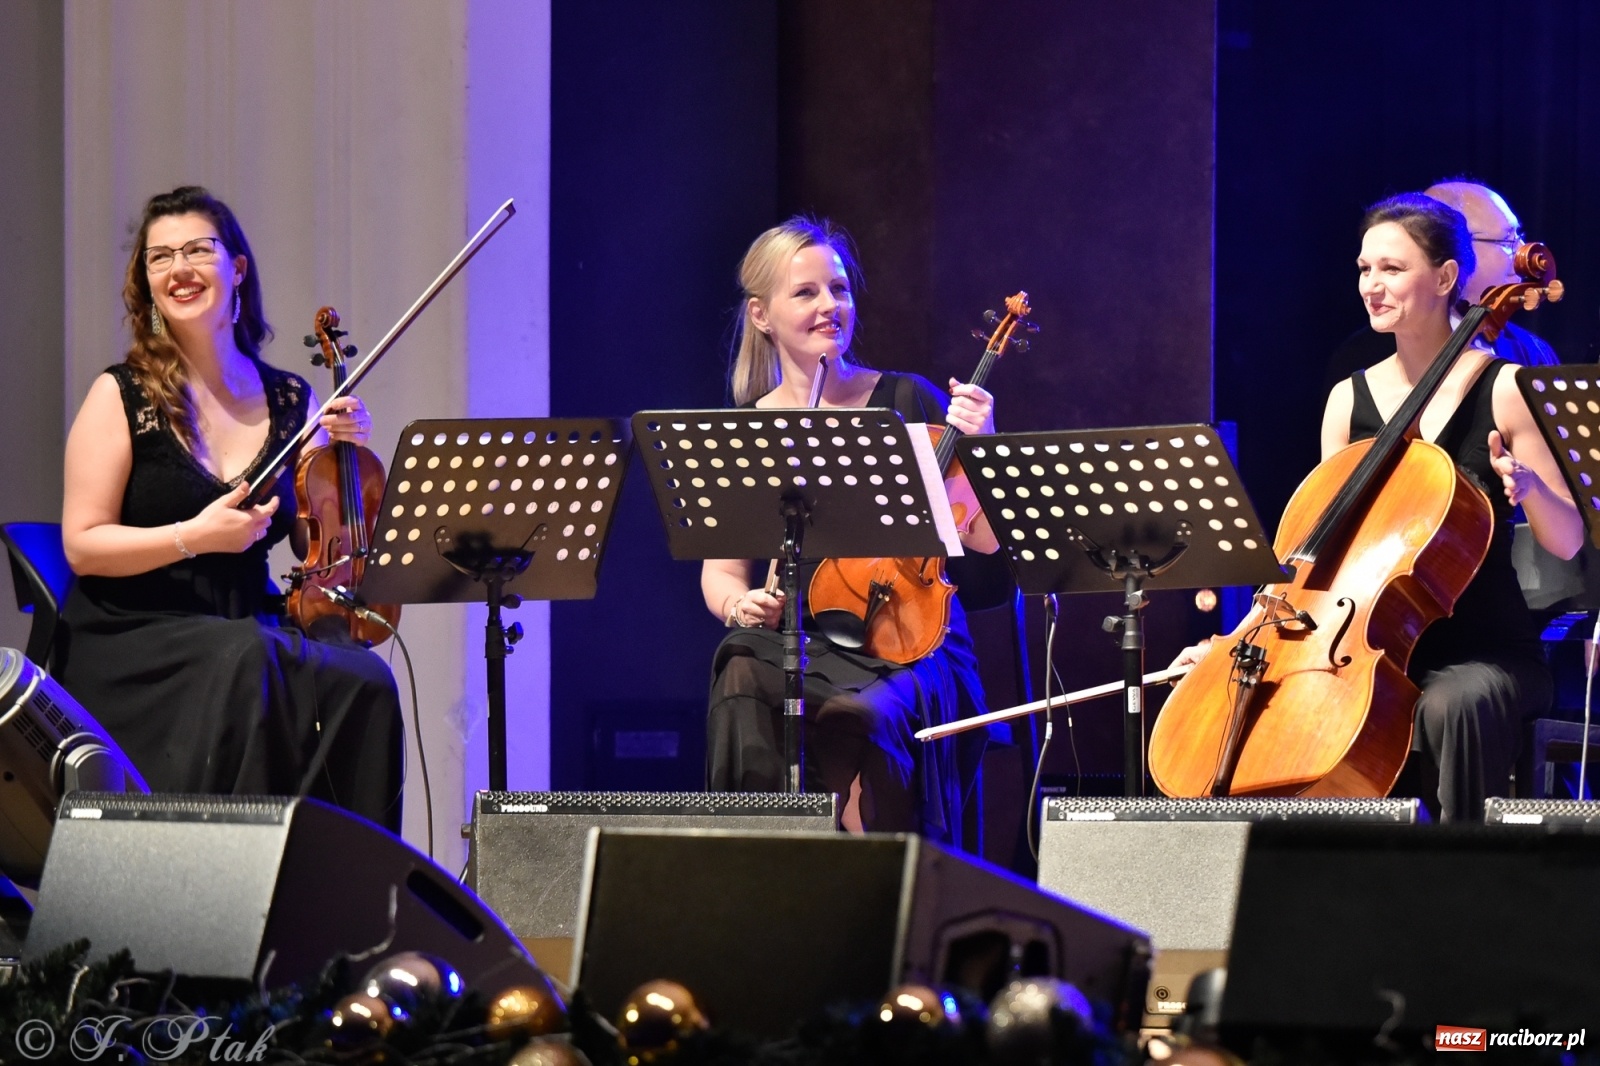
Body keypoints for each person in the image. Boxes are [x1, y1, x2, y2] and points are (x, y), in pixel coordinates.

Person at [1178, 193, 1581, 822]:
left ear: (1446, 278)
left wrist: (1530, 490)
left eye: (1392, 269)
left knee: (1451, 704)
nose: (1372, 285)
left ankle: (1464, 869)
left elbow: (1568, 540)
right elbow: (1317, 552)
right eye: (1365, 269)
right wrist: (1238, 640)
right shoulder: (1349, 398)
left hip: (1484, 651)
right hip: (1366, 647)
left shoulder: (1504, 389)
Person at [57, 186, 404, 831]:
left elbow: (311, 542)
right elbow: (82, 545)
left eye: (197, 249)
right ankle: (232, 876)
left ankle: (348, 882)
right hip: (132, 635)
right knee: (249, 660)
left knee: (366, 681)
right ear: (146, 282)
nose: (178, 269)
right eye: (160, 257)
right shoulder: (120, 395)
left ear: (237, 267)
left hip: (244, 623)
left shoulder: (291, 399)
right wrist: (193, 536)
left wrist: (342, 455)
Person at [702, 217, 1001, 843]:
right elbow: (722, 573)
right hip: (806, 638)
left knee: (859, 715)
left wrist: (983, 451)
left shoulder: (908, 402)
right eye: (805, 292)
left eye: (838, 289)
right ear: (761, 315)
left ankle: (884, 880)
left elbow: (988, 563)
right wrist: (739, 604)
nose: (829, 305)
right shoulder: (748, 428)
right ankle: (758, 858)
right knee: (739, 666)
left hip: (910, 647)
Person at [1323, 179, 1559, 394]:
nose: (1523, 252)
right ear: (1459, 245)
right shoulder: (1359, 360)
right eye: (1508, 240)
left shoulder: (1532, 351)